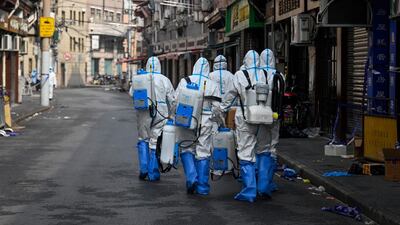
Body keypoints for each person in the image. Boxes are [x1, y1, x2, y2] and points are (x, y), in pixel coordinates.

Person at [221, 50, 274, 202]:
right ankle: (264, 188)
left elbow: (229, 97)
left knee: (246, 152)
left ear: (245, 60)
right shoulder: (267, 73)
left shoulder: (239, 75)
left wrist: (220, 111)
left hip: (245, 118)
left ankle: (249, 191)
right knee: (264, 150)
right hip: (265, 117)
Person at [175, 57, 223, 195]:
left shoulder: (185, 81)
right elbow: (217, 108)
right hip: (205, 120)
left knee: (186, 147)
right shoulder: (212, 84)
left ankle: (191, 178)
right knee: (203, 150)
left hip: (186, 118)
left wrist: (174, 117)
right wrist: (216, 121)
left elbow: (175, 100)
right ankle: (202, 187)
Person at [133, 57, 175, 181]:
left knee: (143, 138)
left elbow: (132, 93)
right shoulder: (164, 80)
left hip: (144, 112)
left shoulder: (140, 78)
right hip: (161, 113)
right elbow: (172, 100)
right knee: (155, 141)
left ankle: (144, 169)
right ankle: (153, 173)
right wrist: (171, 115)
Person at [257, 48, 285, 195]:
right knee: (272, 147)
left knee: (261, 146)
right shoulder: (280, 75)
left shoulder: (257, 74)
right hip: (275, 115)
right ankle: (268, 181)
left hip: (260, 115)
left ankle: (260, 181)